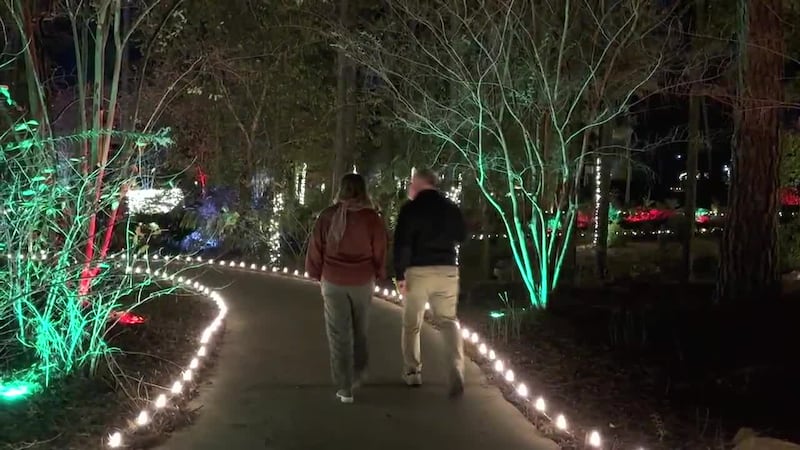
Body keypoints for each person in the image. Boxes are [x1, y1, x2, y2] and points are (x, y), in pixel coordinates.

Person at [306, 173, 387, 404]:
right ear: (363, 191)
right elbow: (380, 247)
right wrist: (380, 272)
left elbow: (316, 246)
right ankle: (359, 372)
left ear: (341, 190)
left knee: (338, 334)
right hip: (362, 282)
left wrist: (315, 271)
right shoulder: (371, 218)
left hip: (333, 281)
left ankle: (344, 388)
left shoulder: (328, 216)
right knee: (360, 329)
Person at [394, 168, 467, 397]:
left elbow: (402, 244)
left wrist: (400, 275)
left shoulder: (410, 209)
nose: (409, 186)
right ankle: (456, 370)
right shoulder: (450, 207)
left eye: (411, 182)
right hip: (447, 270)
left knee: (412, 323)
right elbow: (462, 235)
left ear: (419, 182)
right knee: (448, 321)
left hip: (418, 271)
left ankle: (413, 372)